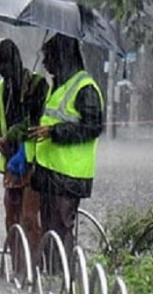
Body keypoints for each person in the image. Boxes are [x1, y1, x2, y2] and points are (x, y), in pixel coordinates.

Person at [29, 34, 104, 255]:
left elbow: (92, 128)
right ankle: (49, 276)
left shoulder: (85, 88)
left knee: (61, 229)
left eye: (49, 57)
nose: (45, 63)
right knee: (50, 230)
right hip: (49, 171)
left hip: (69, 175)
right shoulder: (58, 86)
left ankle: (63, 278)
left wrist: (54, 132)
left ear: (62, 57)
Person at [0, 38, 49, 251]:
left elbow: (37, 120)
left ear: (13, 61)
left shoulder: (37, 85)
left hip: (33, 162)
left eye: (4, 68)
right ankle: (16, 262)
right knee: (11, 216)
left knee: (29, 217)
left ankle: (32, 265)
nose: (2, 75)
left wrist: (14, 133)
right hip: (10, 164)